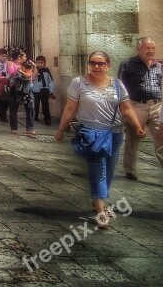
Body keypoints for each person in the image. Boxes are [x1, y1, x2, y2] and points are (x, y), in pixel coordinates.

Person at [55, 51, 146, 229]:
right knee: (99, 170)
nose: (96, 66)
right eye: (93, 63)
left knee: (110, 170)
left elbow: (126, 108)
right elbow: (70, 108)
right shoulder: (79, 83)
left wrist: (137, 127)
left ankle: (99, 200)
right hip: (91, 133)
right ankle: (101, 209)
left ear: (108, 65)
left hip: (115, 133)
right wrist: (60, 130)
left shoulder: (118, 85)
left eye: (100, 63)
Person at [118, 37, 162, 180]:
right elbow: (120, 86)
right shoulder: (128, 64)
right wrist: (123, 106)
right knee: (133, 137)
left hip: (156, 105)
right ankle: (129, 169)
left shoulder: (159, 66)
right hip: (136, 104)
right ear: (138, 49)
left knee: (161, 135)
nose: (151, 51)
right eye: (147, 48)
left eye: (152, 48)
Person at [32, 55, 55, 126]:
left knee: (45, 105)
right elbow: (31, 79)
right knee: (36, 104)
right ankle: (35, 116)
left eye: (42, 63)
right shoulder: (34, 70)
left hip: (45, 90)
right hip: (35, 90)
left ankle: (47, 119)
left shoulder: (47, 71)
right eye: (38, 63)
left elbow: (50, 81)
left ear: (44, 63)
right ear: (35, 63)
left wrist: (51, 91)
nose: (40, 64)